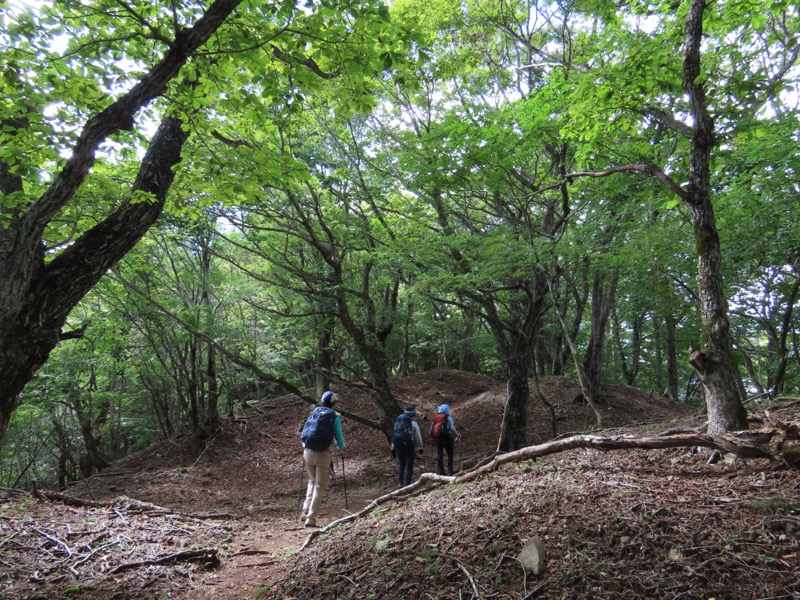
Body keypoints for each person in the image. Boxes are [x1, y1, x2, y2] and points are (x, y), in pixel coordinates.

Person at [299, 391, 345, 528]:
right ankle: (311, 519)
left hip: (307, 451)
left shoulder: (315, 412)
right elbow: (339, 437)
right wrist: (341, 449)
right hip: (323, 454)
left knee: (312, 481)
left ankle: (305, 509)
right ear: (334, 403)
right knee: (320, 485)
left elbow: (306, 429)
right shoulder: (334, 417)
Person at [391, 404, 424, 489]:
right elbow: (418, 436)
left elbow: (395, 433)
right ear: (412, 413)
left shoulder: (398, 420)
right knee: (409, 465)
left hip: (398, 445)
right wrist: (421, 447)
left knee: (402, 464)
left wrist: (392, 447)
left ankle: (400, 483)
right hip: (408, 445)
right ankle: (407, 486)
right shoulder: (412, 422)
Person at [430, 403, 461, 476]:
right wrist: (457, 434)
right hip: (447, 438)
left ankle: (441, 472)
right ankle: (450, 470)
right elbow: (452, 428)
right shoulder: (448, 418)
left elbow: (432, 429)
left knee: (439, 455)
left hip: (438, 439)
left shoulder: (436, 418)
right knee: (450, 454)